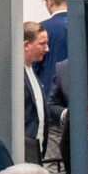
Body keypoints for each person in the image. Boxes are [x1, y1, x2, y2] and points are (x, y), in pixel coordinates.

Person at [21, 21, 52, 162]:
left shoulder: (32, 72)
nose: (47, 49)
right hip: (25, 154)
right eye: (42, 43)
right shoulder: (17, 78)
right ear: (26, 45)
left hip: (37, 153)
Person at [36, 0, 71, 97]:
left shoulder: (41, 29)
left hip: (50, 97)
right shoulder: (84, 25)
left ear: (49, 2)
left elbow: (34, 67)